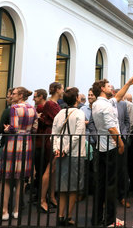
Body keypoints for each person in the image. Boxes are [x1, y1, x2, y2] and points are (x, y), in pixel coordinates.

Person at [91, 74, 133, 227]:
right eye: (109, 86)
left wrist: (128, 83)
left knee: (101, 185)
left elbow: (118, 96)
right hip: (111, 148)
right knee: (111, 185)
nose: (112, 88)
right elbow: (111, 127)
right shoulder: (105, 106)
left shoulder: (99, 103)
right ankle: (110, 220)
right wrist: (121, 144)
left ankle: (97, 219)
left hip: (101, 148)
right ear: (102, 89)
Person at [0, 87, 38, 221]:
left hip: (14, 143)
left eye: (13, 94)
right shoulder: (32, 108)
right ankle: (17, 210)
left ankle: (4, 210)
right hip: (27, 142)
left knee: (7, 177)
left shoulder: (14, 108)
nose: (11, 96)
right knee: (20, 179)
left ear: (20, 95)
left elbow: (13, 127)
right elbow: (35, 128)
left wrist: (7, 129)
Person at [52, 87, 86, 226]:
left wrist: (57, 149)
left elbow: (54, 133)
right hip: (75, 153)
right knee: (73, 188)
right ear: (77, 98)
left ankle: (60, 215)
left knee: (62, 186)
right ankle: (69, 216)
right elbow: (77, 136)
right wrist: (66, 150)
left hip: (60, 154)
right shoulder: (79, 113)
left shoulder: (60, 113)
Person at [38, 82, 62, 213]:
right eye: (62, 88)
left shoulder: (54, 104)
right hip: (51, 136)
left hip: (54, 135)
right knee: (49, 168)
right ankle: (42, 200)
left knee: (53, 168)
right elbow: (57, 120)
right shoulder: (50, 104)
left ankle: (51, 196)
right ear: (57, 90)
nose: (63, 90)